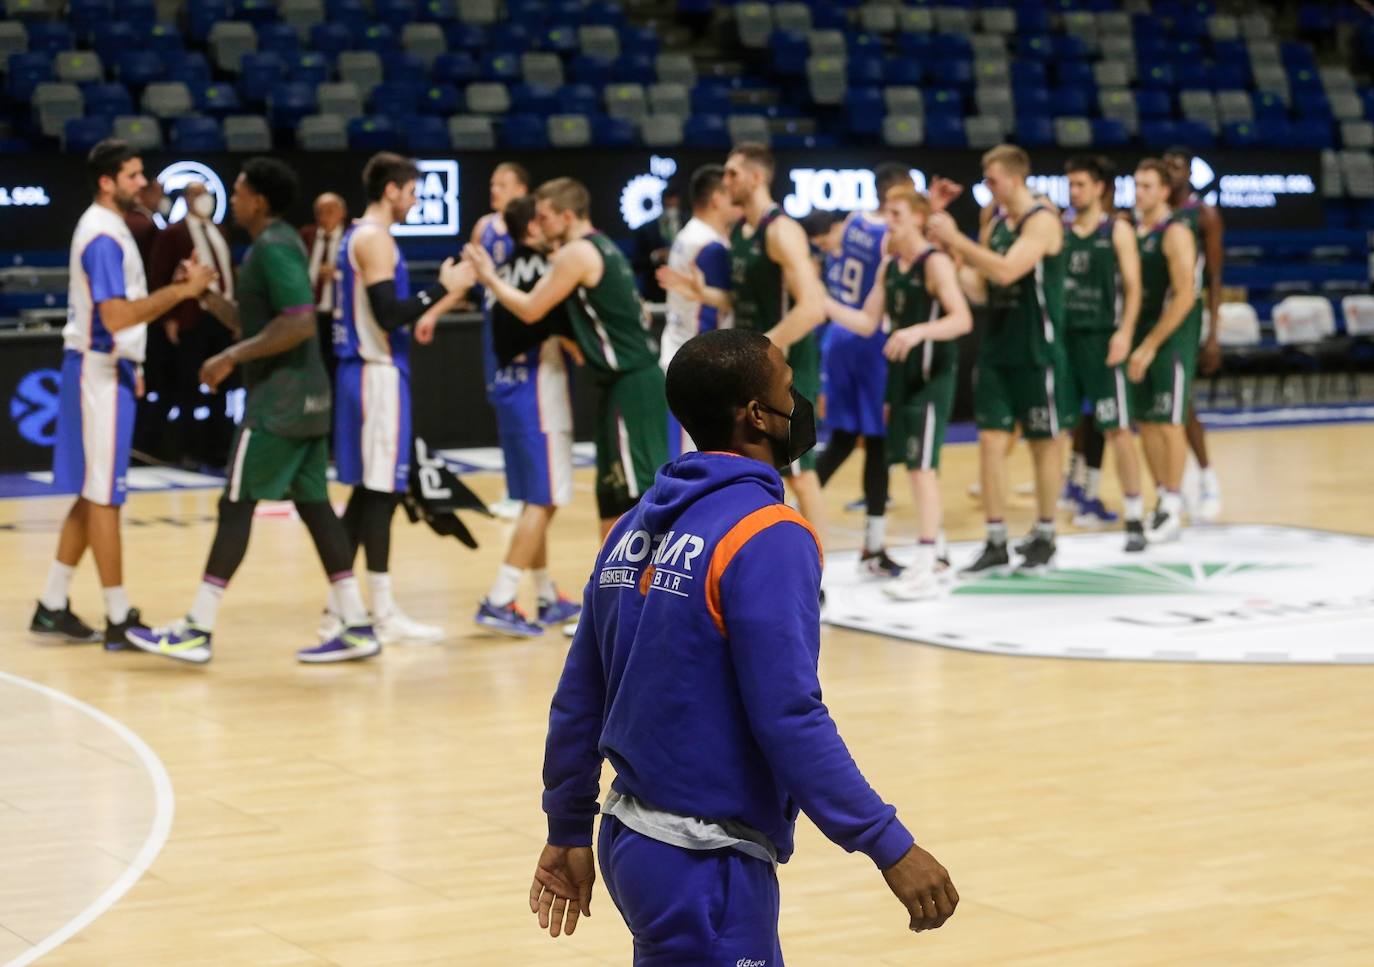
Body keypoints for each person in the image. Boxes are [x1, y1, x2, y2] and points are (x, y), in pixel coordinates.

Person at [531, 328, 958, 960]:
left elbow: (577, 697)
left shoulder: (631, 525)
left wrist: (569, 825)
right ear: (757, 415)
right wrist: (887, 844)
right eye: (789, 388)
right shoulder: (768, 535)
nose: (802, 401)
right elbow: (788, 716)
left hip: (632, 841)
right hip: (702, 861)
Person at [124, 158, 384, 665]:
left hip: (279, 405)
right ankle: (355, 623)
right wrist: (206, 298)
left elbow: (300, 324)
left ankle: (197, 627)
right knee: (314, 507)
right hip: (309, 400)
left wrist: (228, 357)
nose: (232, 199)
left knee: (236, 504)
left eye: (238, 192)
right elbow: (259, 321)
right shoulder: (275, 243)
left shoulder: (273, 247)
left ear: (258, 201)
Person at [30, 140, 216, 650]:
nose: (144, 183)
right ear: (107, 182)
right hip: (98, 372)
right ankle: (117, 617)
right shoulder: (104, 236)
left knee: (93, 495)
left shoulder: (110, 229)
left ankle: (51, 604)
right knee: (106, 498)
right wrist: (183, 292)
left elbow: (121, 313)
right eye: (133, 175)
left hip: (104, 367)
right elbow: (113, 317)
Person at [464, 177, 669, 540]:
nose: (538, 225)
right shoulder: (603, 245)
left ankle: (652, 590)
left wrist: (489, 279)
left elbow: (530, 310)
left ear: (567, 216)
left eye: (544, 218)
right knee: (610, 498)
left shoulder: (577, 253)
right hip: (621, 384)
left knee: (636, 500)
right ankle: (614, 590)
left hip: (632, 385)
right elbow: (642, 313)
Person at [325, 152, 471, 643]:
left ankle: (339, 607)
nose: (415, 201)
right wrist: (441, 290)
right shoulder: (373, 238)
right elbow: (388, 314)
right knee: (381, 495)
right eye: (412, 192)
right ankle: (382, 615)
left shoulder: (361, 236)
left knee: (368, 495)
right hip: (375, 375)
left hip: (370, 373)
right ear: (391, 189)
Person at [657, 144, 829, 554]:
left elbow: (813, 308)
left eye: (732, 173)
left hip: (784, 369)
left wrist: (763, 350)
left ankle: (817, 567)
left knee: (800, 474)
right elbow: (737, 301)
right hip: (752, 370)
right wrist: (703, 293)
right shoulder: (741, 232)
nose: (726, 180)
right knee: (755, 466)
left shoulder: (781, 229)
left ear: (755, 177)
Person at [927, 144, 1076, 575]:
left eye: (991, 180)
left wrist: (959, 241)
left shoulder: (1043, 220)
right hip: (997, 347)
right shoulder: (995, 221)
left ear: (1014, 178)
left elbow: (1009, 270)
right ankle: (995, 539)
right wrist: (951, 256)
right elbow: (981, 286)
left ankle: (1046, 533)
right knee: (990, 442)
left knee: (1043, 444)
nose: (986, 187)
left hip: (1037, 350)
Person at [825, 186, 972, 600]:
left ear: (918, 220)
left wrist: (918, 330)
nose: (887, 221)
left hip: (932, 376)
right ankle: (935, 553)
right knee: (914, 466)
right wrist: (821, 303)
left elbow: (961, 319)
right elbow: (867, 322)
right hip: (901, 377)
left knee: (920, 469)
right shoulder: (890, 266)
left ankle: (927, 563)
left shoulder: (934, 262)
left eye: (896, 214)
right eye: (887, 213)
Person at [472, 195, 582, 638]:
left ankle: (544, 595)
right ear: (533, 227)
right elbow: (565, 329)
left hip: (510, 388)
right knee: (543, 499)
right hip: (540, 392)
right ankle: (500, 598)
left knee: (536, 496)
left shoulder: (504, 270)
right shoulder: (546, 271)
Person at [815, 162, 913, 579]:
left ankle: (791, 499)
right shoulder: (893, 236)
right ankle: (873, 548)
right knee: (877, 443)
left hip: (839, 336)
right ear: (895, 194)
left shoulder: (853, 221)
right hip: (870, 341)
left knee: (840, 438)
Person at [1060, 156, 1147, 552]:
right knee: (1059, 431)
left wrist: (1125, 333)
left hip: (1101, 340)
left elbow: (1134, 287)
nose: (1073, 191)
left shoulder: (1118, 230)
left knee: (1118, 430)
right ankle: (1059, 510)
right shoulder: (1057, 229)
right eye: (1070, 184)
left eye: (1080, 184)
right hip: (1063, 340)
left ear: (1099, 188)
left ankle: (1134, 516)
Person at [1127, 159, 1199, 544]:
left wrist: (1152, 344)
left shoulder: (1176, 232)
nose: (1139, 193)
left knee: (1170, 420)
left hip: (1171, 335)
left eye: (1147, 186)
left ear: (1164, 191)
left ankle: (1173, 501)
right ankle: (1162, 496)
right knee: (1147, 421)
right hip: (1140, 331)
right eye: (1136, 185)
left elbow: (1186, 294)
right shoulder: (1134, 231)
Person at [145, 180, 237, 467]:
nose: (204, 199)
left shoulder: (219, 230)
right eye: (197, 194)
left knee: (222, 384)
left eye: (206, 194)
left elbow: (229, 272)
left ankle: (220, 448)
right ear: (186, 199)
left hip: (222, 317)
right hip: (191, 317)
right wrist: (170, 317)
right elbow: (160, 277)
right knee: (187, 385)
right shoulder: (174, 233)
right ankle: (187, 450)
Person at [1163, 147, 1224, 522]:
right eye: (1166, 166)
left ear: (1189, 172)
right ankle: (1172, 485)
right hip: (1156, 312)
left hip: (1187, 314)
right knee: (1161, 407)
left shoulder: (1203, 214)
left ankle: (1206, 477)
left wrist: (1213, 333)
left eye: (1177, 167)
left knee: (1182, 402)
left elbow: (1215, 276)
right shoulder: (1152, 213)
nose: (1171, 172)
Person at [659, 163, 736, 457]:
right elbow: (729, 302)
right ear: (717, 198)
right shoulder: (708, 245)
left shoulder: (689, 234)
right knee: (696, 457)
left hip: (682, 348)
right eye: (731, 196)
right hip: (698, 362)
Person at [302, 191, 347, 382]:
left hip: (340, 316)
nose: (324, 216)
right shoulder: (305, 236)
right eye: (320, 211)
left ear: (342, 213)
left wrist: (337, 273)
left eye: (330, 210)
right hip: (310, 315)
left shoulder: (352, 237)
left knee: (337, 368)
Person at [632, 183, 682, 301]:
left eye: (673, 199)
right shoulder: (646, 229)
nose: (670, 203)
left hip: (685, 290)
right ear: (661, 201)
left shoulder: (691, 225)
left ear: (679, 200)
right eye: (667, 199)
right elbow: (636, 263)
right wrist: (654, 256)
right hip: (657, 292)